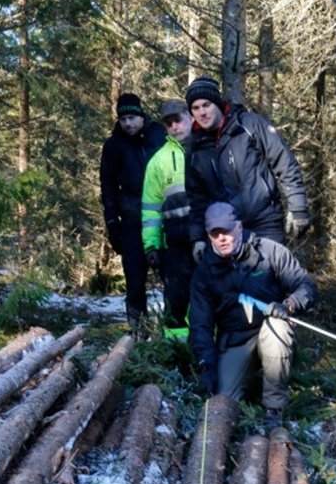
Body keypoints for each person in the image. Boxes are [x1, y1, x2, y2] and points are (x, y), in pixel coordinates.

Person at [189, 200, 317, 429]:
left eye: (226, 231)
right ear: (208, 235)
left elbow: (305, 284)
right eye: (215, 233)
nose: (222, 238)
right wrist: (206, 365)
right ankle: (248, 381)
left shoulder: (269, 251)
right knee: (224, 398)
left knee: (277, 329)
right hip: (236, 339)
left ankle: (273, 410)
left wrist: (289, 305)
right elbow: (201, 325)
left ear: (239, 226)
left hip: (271, 329)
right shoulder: (205, 271)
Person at [184, 75, 310, 259]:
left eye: (206, 105)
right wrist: (197, 238)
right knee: (234, 287)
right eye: (195, 108)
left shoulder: (249, 125)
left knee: (269, 282)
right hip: (225, 231)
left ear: (217, 104)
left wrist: (298, 207)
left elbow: (284, 163)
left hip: (265, 220)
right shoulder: (195, 150)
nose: (202, 112)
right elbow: (197, 200)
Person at [99, 92, 165, 332]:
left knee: (173, 278)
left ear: (141, 115)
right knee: (135, 282)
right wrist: (111, 222)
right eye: (123, 118)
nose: (128, 123)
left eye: (132, 117)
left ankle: (176, 335)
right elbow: (107, 185)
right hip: (131, 221)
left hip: (163, 220)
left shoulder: (159, 134)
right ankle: (139, 333)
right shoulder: (113, 145)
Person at [141, 98, 194, 338]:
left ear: (190, 118)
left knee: (207, 297)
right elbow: (150, 208)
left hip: (210, 239)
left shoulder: (209, 149)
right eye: (169, 123)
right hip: (174, 244)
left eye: (178, 120)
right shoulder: (159, 161)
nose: (175, 127)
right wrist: (151, 245)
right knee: (176, 300)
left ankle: (207, 353)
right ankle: (176, 352)